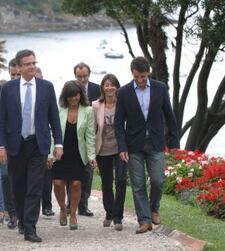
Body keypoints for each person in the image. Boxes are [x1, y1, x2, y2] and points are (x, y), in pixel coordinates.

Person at [0, 49, 63, 242]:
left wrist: (58, 143)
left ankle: (31, 228)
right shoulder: (7, 89)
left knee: (35, 187)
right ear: (19, 67)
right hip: (15, 145)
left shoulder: (46, 87)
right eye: (27, 64)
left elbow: (54, 118)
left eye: (34, 63)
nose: (32, 66)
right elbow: (0, 119)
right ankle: (23, 220)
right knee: (18, 187)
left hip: (37, 144)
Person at [114, 56, 179, 234]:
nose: (140, 81)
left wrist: (174, 141)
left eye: (143, 76)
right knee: (138, 184)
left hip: (156, 142)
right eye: (137, 77)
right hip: (133, 145)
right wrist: (122, 147)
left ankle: (154, 208)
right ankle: (144, 220)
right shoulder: (124, 92)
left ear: (148, 72)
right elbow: (118, 123)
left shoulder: (160, 88)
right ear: (132, 74)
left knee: (158, 181)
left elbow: (169, 115)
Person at [48, 81, 96, 230]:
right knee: (58, 183)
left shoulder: (88, 111)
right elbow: (52, 134)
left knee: (76, 184)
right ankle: (63, 209)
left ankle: (73, 213)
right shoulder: (59, 110)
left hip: (78, 153)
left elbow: (90, 136)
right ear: (65, 97)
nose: (73, 99)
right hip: (60, 152)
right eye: (70, 97)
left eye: (76, 96)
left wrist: (92, 156)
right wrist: (50, 155)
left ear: (80, 95)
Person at [0, 58, 21, 228]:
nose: (15, 77)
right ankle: (12, 212)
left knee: (24, 179)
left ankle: (23, 211)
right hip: (5, 143)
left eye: (18, 74)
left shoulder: (32, 88)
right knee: (6, 177)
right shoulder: (2, 89)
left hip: (26, 142)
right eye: (12, 74)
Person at [92, 74, 126, 231]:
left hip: (120, 149)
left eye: (112, 84)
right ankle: (109, 213)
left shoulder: (123, 104)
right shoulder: (96, 106)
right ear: (102, 87)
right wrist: (91, 153)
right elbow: (92, 130)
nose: (109, 87)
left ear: (117, 87)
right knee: (106, 184)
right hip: (103, 149)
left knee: (120, 181)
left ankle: (118, 216)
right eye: (106, 84)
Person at [72, 62, 101, 216]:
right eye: (79, 76)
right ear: (75, 76)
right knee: (71, 172)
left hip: (91, 136)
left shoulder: (97, 89)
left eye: (85, 76)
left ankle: (83, 205)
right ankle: (71, 204)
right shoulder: (70, 89)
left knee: (87, 173)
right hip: (73, 136)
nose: (83, 79)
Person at [35, 67, 55, 217]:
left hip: (45, 142)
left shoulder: (47, 93)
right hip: (29, 142)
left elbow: (53, 124)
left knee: (47, 178)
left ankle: (47, 206)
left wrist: (52, 151)